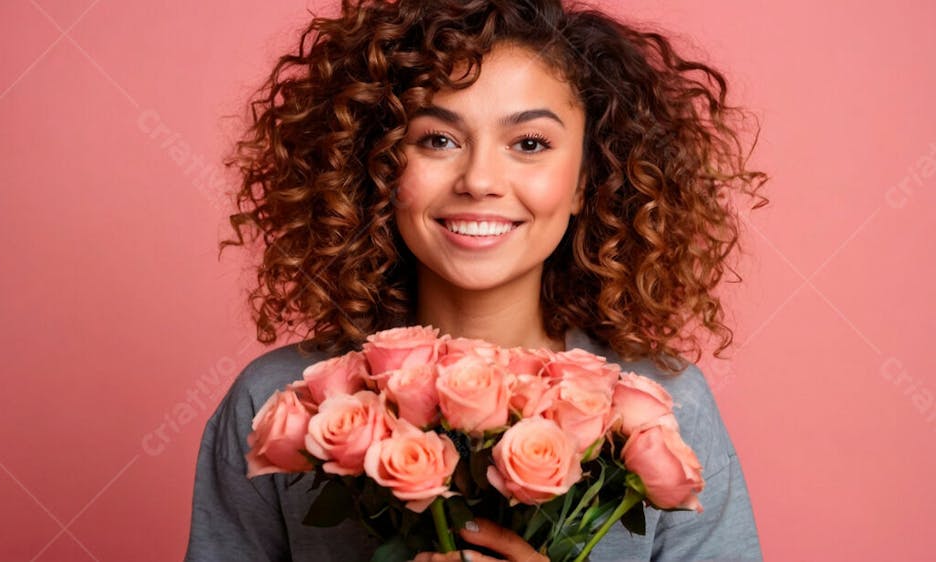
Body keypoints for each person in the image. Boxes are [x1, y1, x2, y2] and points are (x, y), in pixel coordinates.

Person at [185, 0, 768, 560]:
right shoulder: (280, 405)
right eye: (438, 140)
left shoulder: (662, 409)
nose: (480, 179)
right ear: (380, 165)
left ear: (587, 181)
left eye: (530, 144)